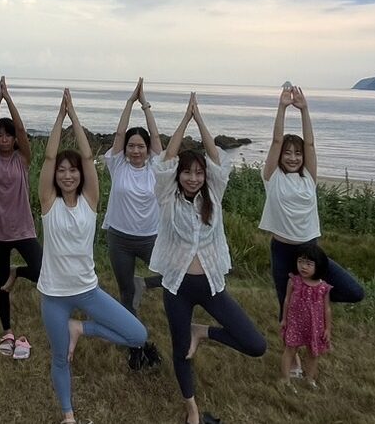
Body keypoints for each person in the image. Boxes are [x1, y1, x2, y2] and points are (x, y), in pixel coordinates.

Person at [151, 93, 266, 424]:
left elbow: (216, 159)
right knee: (180, 349)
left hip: (212, 284)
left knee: (255, 343)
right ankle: (192, 409)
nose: (192, 178)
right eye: (187, 173)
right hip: (176, 286)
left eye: (198, 173)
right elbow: (165, 162)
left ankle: (202, 332)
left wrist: (199, 120)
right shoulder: (167, 197)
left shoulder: (213, 193)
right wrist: (182, 122)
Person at [38, 90, 148, 424]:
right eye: (62, 171)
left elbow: (89, 160)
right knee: (60, 359)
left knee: (137, 336)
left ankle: (80, 328)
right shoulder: (48, 203)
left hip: (87, 289)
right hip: (53, 295)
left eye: (73, 171)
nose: (68, 174)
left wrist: (77, 119)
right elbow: (47, 158)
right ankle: (68, 415)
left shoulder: (90, 201)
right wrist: (60, 118)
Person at [261, 85, 363, 375]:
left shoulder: (309, 177)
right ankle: (291, 358)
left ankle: (316, 299)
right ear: (280, 156)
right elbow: (276, 139)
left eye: (297, 154)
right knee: (286, 306)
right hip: (283, 251)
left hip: (311, 250)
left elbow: (311, 145)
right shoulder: (272, 177)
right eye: (287, 153)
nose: (293, 157)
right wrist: (282, 108)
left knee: (354, 291)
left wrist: (304, 110)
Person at [103, 77, 165, 370]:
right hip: (120, 239)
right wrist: (129, 102)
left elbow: (156, 136)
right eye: (131, 146)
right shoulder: (117, 164)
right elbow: (118, 134)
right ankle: (134, 344)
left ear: (148, 149)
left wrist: (146, 105)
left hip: (151, 238)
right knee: (125, 292)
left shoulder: (156, 166)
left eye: (141, 146)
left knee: (173, 277)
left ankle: (146, 283)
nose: (136, 150)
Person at [0, 76, 42, 358]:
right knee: (0, 282)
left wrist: (9, 99)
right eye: (0, 136)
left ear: (14, 139)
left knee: (41, 271)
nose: (3, 138)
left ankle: (19, 271)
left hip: (22, 227)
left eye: (8, 135)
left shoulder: (22, 159)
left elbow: (22, 129)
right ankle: (7, 330)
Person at [280, 243, 333, 391]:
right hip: (295, 323)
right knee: (290, 349)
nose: (303, 266)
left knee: (313, 353)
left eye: (309, 264)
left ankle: (310, 379)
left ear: (318, 265)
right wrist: (284, 319)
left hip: (315, 326)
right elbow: (286, 300)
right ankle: (285, 379)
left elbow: (327, 309)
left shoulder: (323, 287)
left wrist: (328, 328)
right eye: (300, 262)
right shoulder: (294, 281)